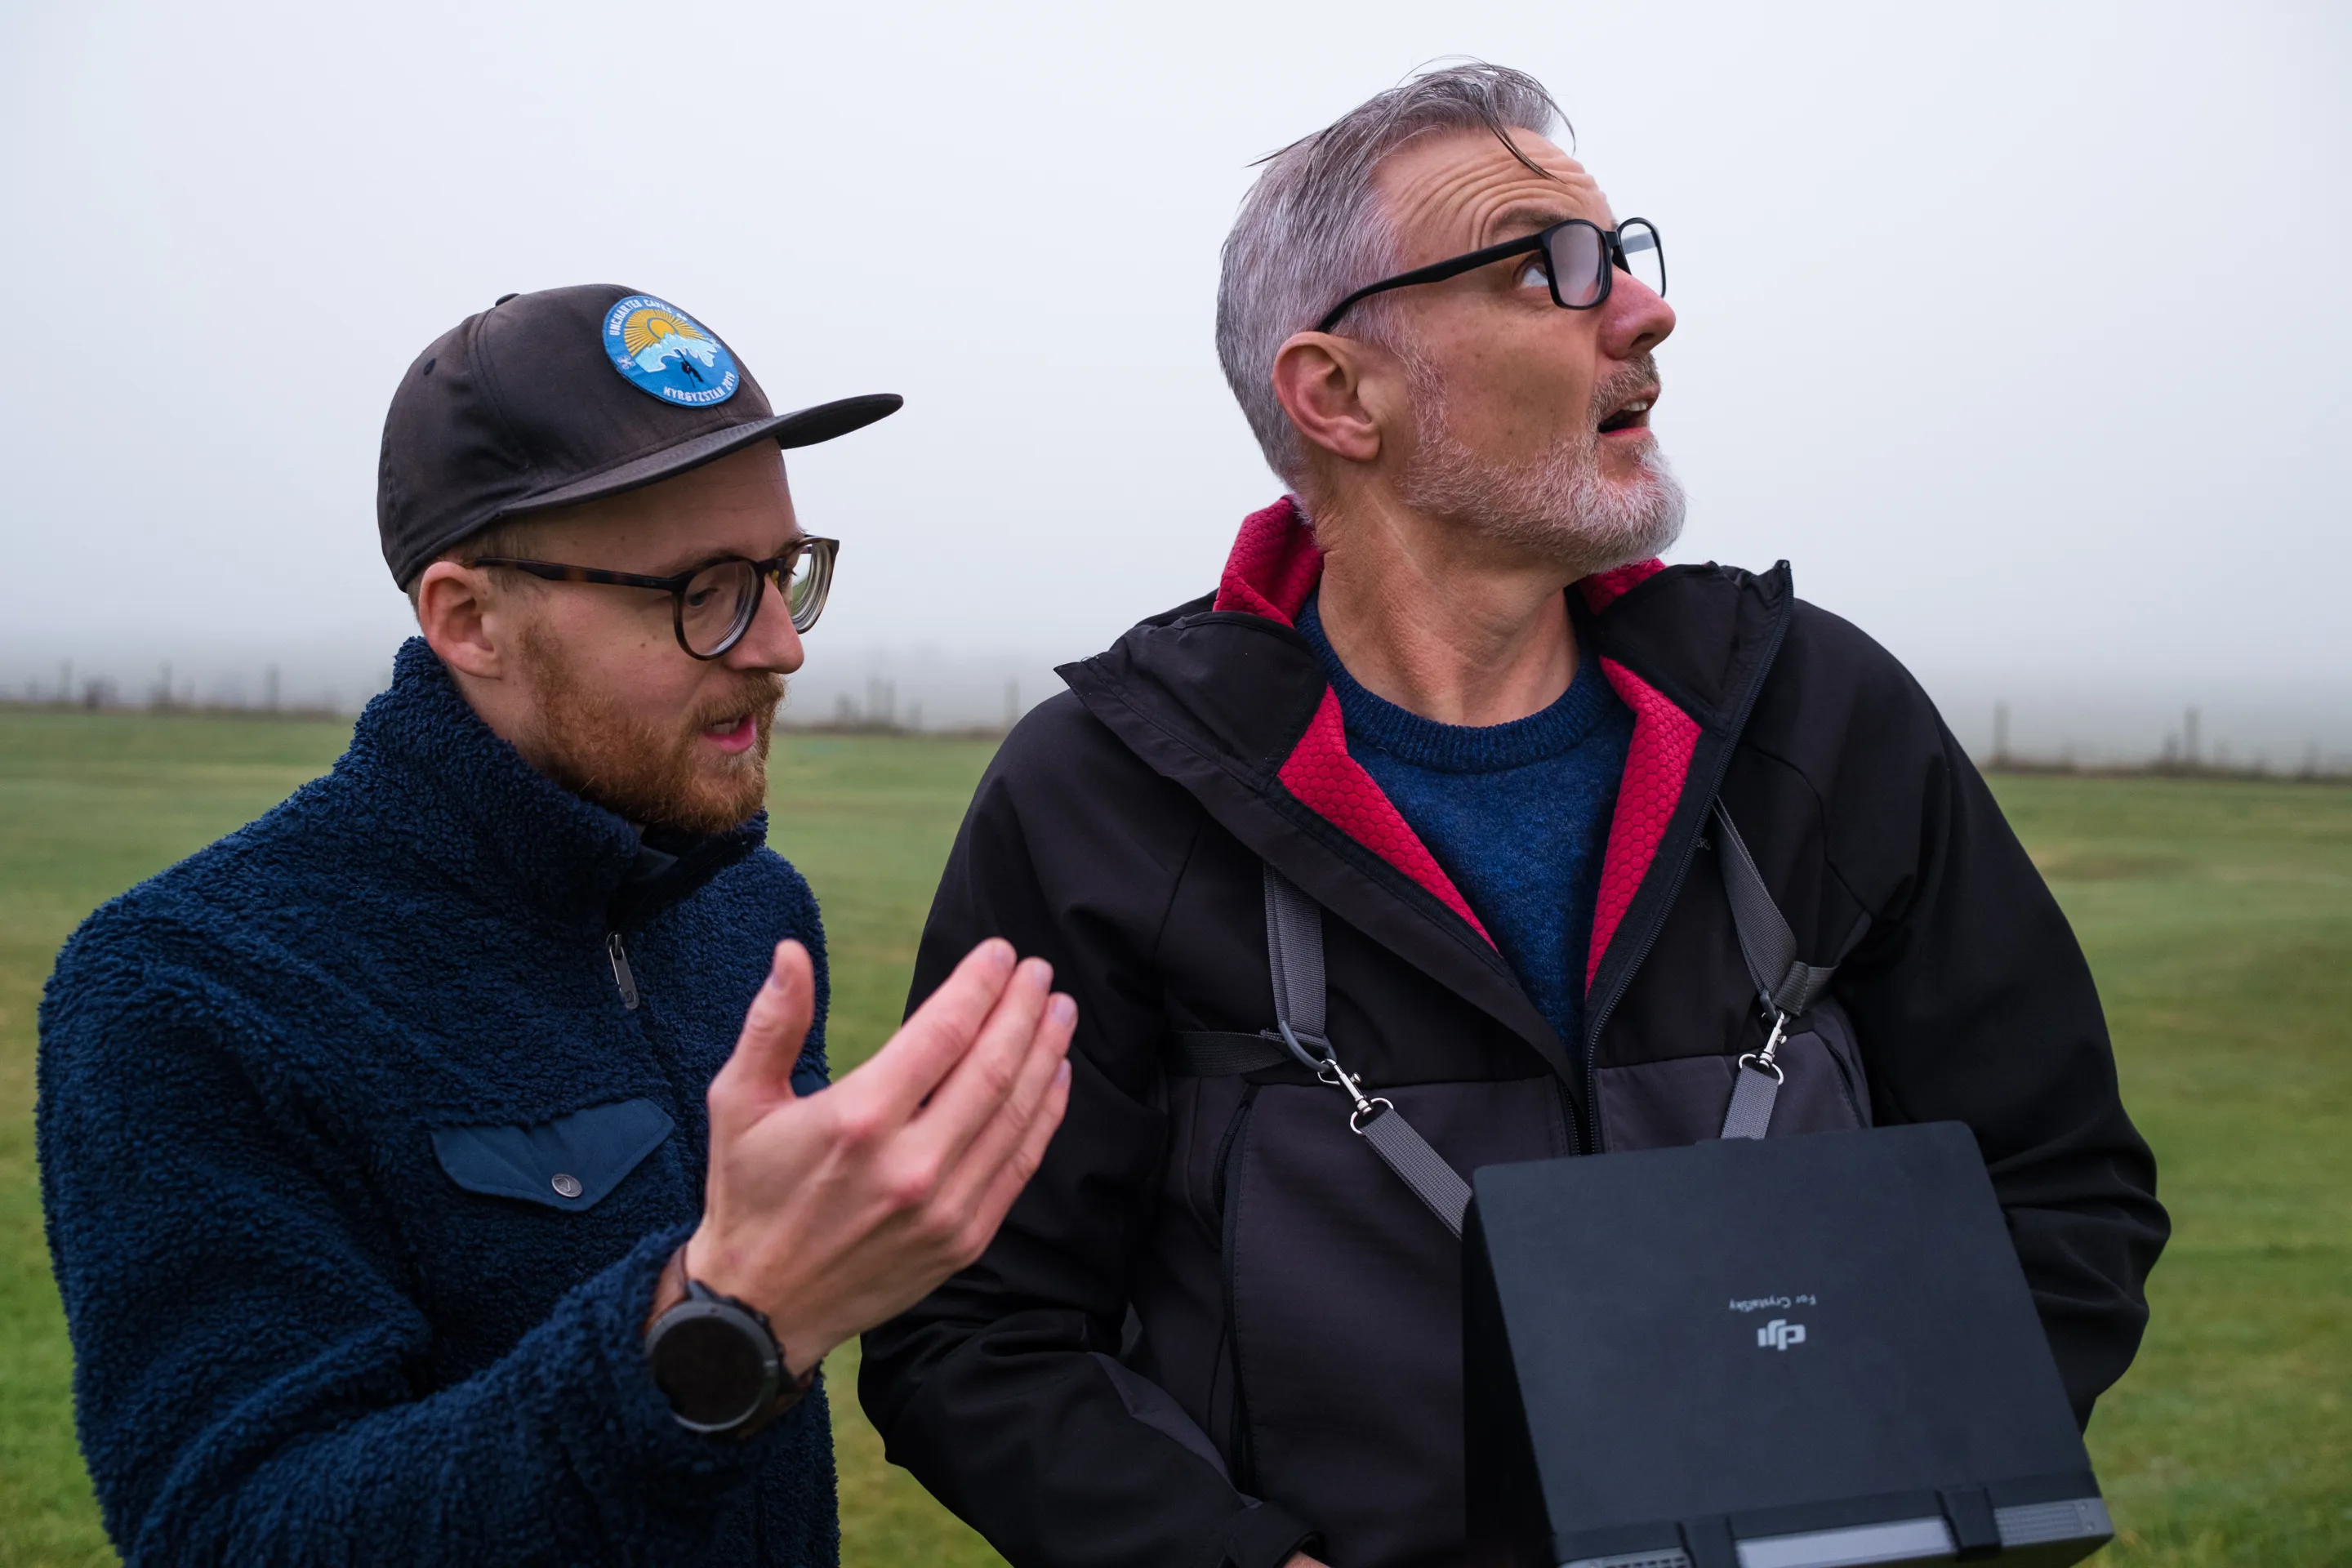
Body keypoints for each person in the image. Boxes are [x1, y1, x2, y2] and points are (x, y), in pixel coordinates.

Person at [858, 64, 2169, 1568]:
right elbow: (973, 1326)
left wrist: (1896, 1505)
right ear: (1337, 393)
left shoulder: (1815, 722)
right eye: (1549, 267)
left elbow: (2060, 1189)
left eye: (1626, 256)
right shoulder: (1107, 793)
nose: (1641, 313)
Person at [38, 285, 1076, 1566]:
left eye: (779, 575)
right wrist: (715, 1328)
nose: (776, 649)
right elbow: (236, 1531)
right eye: (701, 588)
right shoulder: (191, 989)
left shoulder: (752, 916)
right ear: (468, 617)